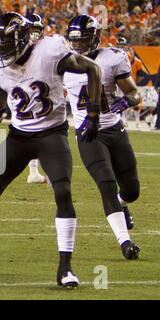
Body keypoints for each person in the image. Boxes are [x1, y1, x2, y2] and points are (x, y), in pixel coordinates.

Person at [0, 13, 103, 288]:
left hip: (51, 135)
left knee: (63, 191)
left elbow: (93, 69)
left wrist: (93, 113)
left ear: (22, 40)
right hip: (18, 137)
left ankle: (65, 267)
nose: (0, 52)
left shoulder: (50, 51)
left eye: (5, 45)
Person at [64, 15, 141, 260]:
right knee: (106, 183)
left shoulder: (113, 58)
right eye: (75, 41)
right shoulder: (62, 63)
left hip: (114, 129)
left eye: (84, 40)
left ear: (95, 37)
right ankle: (125, 242)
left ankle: (122, 203)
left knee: (132, 190)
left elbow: (134, 92)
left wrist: (124, 102)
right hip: (88, 133)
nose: (79, 46)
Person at [0, 14, 48, 184]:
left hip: (34, 91)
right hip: (18, 91)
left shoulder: (43, 48)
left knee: (33, 131)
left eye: (38, 30)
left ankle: (33, 172)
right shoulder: (12, 49)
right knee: (31, 131)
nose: (35, 34)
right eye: (32, 30)